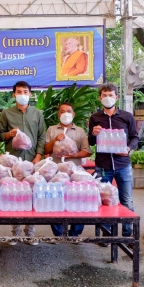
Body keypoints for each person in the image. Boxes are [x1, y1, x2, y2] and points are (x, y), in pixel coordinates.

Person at [0, 81, 46, 245]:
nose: (22, 94)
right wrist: (10, 134)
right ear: (14, 95)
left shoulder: (37, 113)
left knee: (32, 194)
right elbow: (0, 135)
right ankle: (15, 232)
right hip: (13, 161)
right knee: (15, 195)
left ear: (30, 94)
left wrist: (38, 156)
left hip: (32, 160)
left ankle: (30, 232)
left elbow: (42, 136)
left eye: (25, 91)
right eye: (19, 92)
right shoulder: (6, 113)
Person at [88, 83, 139, 241]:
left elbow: (135, 137)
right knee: (104, 200)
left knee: (126, 199)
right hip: (103, 165)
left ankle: (128, 234)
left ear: (116, 97)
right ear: (99, 98)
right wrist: (93, 133)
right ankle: (106, 235)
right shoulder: (95, 118)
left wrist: (128, 149)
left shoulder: (127, 116)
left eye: (111, 95)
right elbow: (91, 142)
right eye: (104, 95)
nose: (107, 98)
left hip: (123, 164)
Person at [44, 102, 91, 240]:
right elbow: (45, 149)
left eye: (68, 111)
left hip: (75, 172)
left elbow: (87, 151)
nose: (65, 114)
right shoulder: (51, 129)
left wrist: (73, 155)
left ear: (73, 114)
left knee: (77, 200)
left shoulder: (80, 131)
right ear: (58, 114)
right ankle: (58, 233)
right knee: (55, 200)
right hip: (56, 172)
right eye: (62, 111)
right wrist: (55, 140)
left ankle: (75, 233)